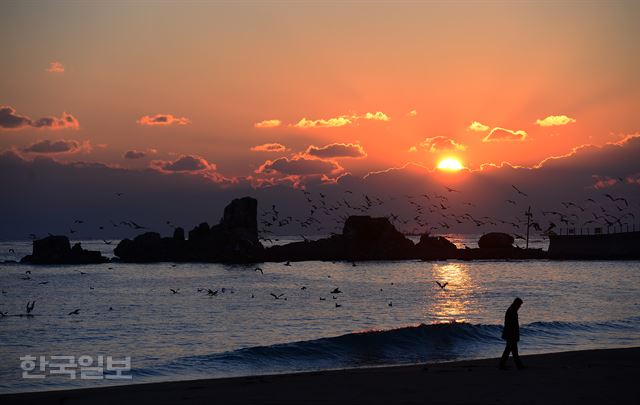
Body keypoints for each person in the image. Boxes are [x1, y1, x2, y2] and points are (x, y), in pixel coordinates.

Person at [499, 297, 525, 370]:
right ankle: (502, 365)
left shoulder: (512, 310)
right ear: (516, 304)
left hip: (510, 334)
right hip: (511, 334)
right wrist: (514, 334)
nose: (520, 307)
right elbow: (511, 324)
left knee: (512, 350)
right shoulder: (512, 310)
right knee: (510, 350)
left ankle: (517, 365)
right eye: (519, 305)